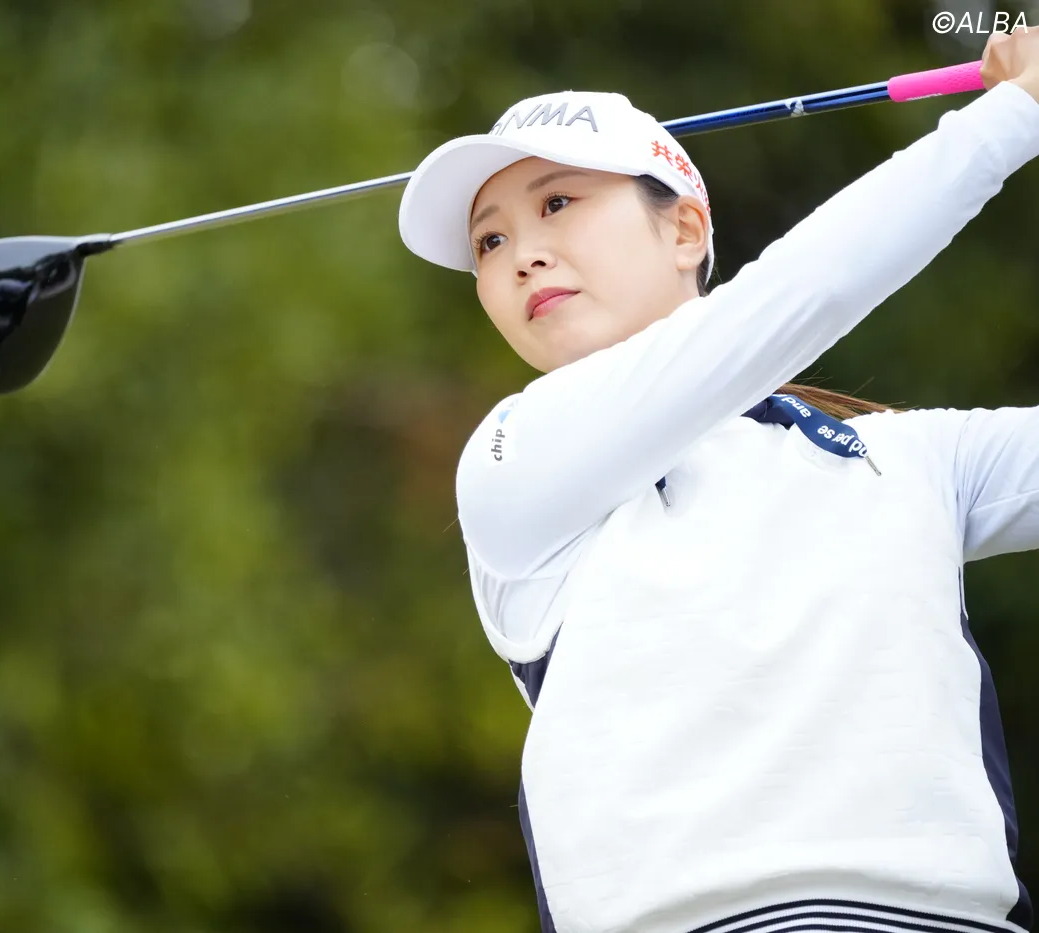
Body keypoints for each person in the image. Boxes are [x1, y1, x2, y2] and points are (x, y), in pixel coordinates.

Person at [396, 28, 1039, 933]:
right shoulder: (515, 458)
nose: (520, 256)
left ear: (685, 228)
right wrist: (1012, 115)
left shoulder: (911, 456)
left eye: (559, 202)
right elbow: (794, 297)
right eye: (490, 240)